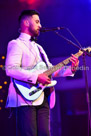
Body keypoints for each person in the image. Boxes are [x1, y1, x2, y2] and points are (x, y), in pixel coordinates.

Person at [5, 10, 79, 136]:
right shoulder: (15, 44)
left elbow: (51, 70)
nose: (40, 25)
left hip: (42, 96)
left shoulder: (39, 48)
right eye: (37, 21)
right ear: (26, 22)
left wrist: (71, 69)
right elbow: (10, 69)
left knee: (45, 133)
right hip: (24, 98)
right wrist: (36, 77)